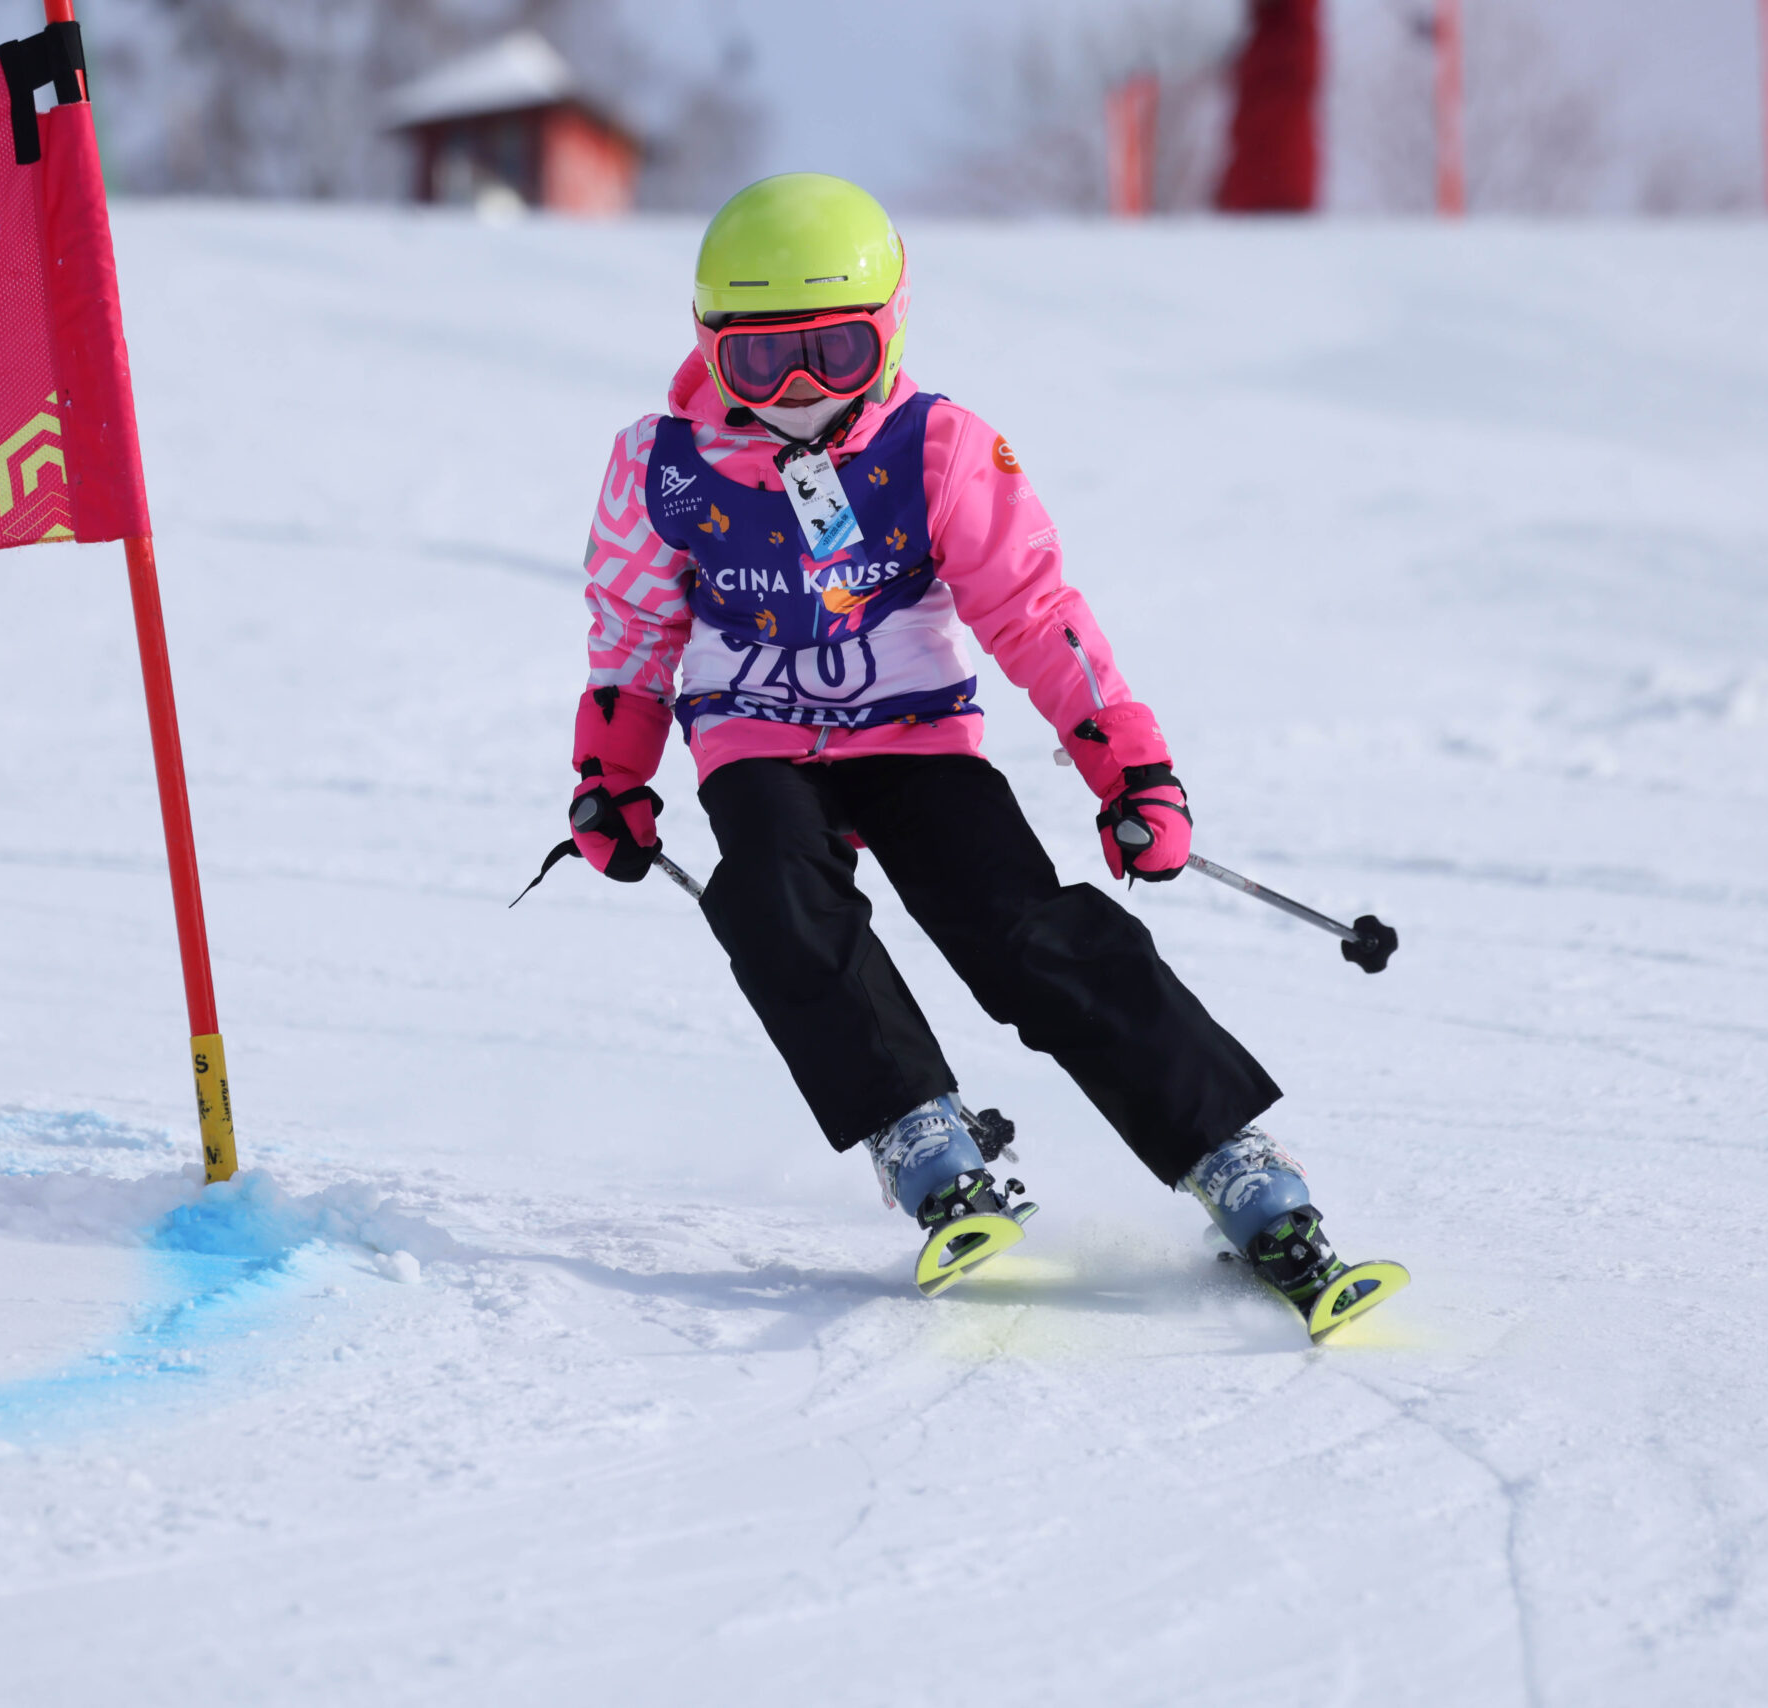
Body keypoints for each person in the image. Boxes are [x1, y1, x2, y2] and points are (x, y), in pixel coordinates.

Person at [561, 173, 1395, 1326]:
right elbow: (633, 627)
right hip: (752, 734)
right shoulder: (661, 466)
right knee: (768, 893)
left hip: (910, 730)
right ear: (708, 348)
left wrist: (1129, 770)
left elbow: (1034, 614)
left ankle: (1235, 1162)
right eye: (759, 363)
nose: (799, 391)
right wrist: (612, 774)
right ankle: (919, 1130)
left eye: (836, 353)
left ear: (890, 331)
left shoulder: (936, 448)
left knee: (1020, 930)